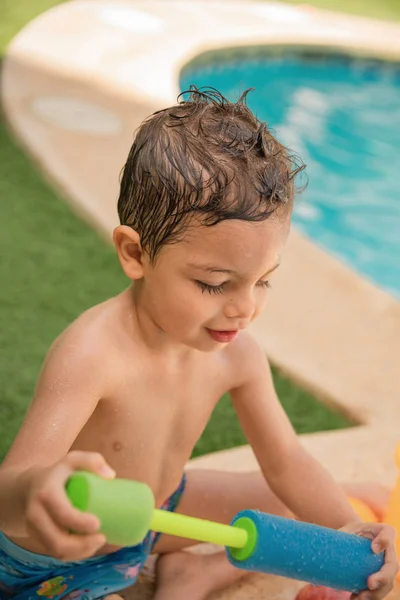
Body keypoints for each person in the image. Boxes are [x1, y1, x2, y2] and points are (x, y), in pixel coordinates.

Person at [0, 87, 397, 600]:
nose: (244, 308)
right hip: (50, 561)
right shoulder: (92, 354)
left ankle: (195, 573)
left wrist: (347, 528)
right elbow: (11, 486)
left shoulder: (239, 354)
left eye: (263, 281)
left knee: (291, 503)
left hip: (152, 519)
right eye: (214, 283)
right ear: (136, 253)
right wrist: (37, 493)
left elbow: (286, 463)